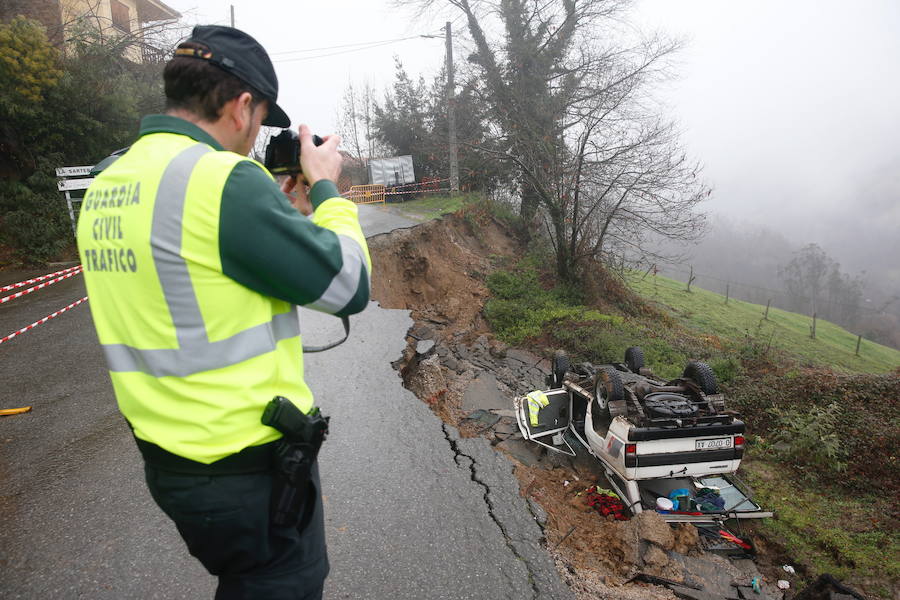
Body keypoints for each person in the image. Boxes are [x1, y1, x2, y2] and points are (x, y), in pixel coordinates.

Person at [75, 25, 371, 599]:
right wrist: (328, 192)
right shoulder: (222, 182)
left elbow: (186, 276)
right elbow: (348, 285)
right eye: (260, 117)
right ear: (241, 107)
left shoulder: (110, 181)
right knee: (281, 585)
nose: (257, 133)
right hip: (248, 468)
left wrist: (274, 221)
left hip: (170, 460)